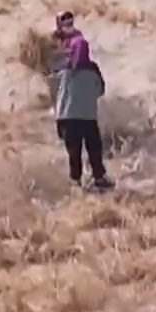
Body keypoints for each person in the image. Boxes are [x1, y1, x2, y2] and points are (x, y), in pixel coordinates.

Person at [51, 12, 112, 191]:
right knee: (94, 149)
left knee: (74, 152)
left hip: (67, 117)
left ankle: (76, 183)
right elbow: (100, 90)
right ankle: (98, 178)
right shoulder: (92, 69)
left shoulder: (61, 68)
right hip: (87, 116)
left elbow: (53, 91)